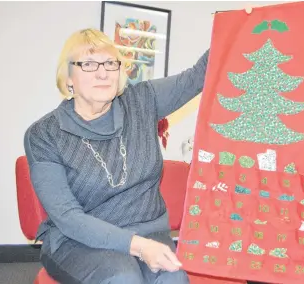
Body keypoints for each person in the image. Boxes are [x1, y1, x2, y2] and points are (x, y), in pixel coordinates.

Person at [24, 28, 209, 284]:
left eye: (110, 63)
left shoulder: (143, 100)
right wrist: (138, 246)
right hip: (77, 240)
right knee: (122, 278)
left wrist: (239, 27)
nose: (102, 73)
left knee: (173, 279)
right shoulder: (45, 134)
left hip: (149, 231)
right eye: (88, 64)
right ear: (68, 78)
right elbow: (68, 217)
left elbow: (198, 76)